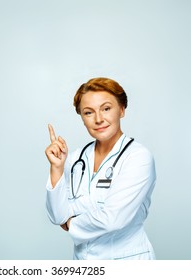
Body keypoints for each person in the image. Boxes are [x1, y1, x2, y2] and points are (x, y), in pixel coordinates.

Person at [45, 77, 156, 260]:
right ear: (82, 118)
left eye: (106, 109)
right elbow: (57, 216)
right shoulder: (75, 159)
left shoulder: (138, 157)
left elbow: (113, 219)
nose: (98, 119)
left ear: (121, 110)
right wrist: (57, 168)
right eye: (88, 112)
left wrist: (71, 223)